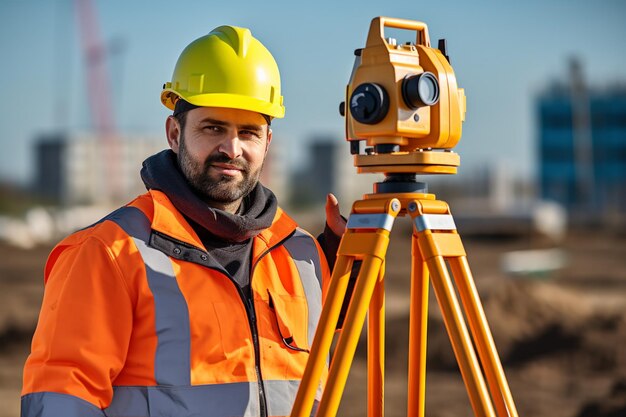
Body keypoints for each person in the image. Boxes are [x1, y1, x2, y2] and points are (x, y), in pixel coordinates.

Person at [21, 25, 345, 417]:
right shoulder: (109, 253)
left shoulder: (302, 252)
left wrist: (344, 271)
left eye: (248, 132)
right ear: (175, 133)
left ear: (268, 144)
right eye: (213, 128)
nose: (232, 148)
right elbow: (62, 393)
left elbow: (316, 369)